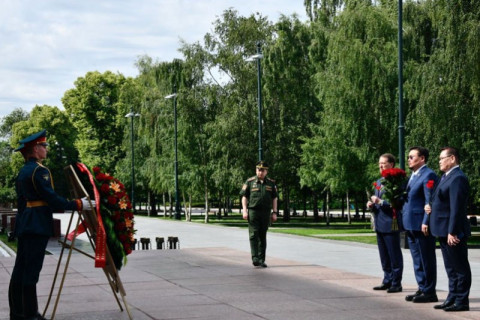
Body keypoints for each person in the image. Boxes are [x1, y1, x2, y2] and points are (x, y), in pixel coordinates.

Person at [9, 130, 94, 320]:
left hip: (26, 225)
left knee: (20, 270)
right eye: (44, 146)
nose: (46, 149)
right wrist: (78, 204)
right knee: (31, 272)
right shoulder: (40, 171)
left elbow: (22, 203)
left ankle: (18, 313)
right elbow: (52, 199)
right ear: (35, 149)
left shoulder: (24, 171)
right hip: (37, 225)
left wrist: (18, 227)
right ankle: (30, 315)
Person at [426, 147, 471, 312]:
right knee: (451, 268)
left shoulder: (457, 178)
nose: (439, 161)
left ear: (452, 159)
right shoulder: (446, 177)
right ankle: (452, 297)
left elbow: (456, 207)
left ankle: (462, 301)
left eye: (442, 158)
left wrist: (452, 231)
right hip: (443, 230)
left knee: (460, 268)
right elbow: (440, 200)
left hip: (452, 231)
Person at [402, 146, 438, 303]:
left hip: (421, 224)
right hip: (410, 223)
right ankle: (422, 287)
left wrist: (426, 221)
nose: (408, 159)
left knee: (426, 259)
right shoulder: (413, 175)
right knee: (417, 259)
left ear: (422, 158)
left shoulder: (428, 174)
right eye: (408, 157)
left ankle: (430, 291)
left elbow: (429, 201)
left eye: (411, 156)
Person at [367, 153, 403, 293]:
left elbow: (398, 202)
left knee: (394, 254)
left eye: (384, 163)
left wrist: (379, 201)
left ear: (391, 164)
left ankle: (396, 282)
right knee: (384, 255)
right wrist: (371, 205)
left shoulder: (397, 181)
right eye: (379, 164)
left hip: (391, 222)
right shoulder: (379, 181)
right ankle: (387, 279)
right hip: (380, 223)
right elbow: (378, 204)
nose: (381, 166)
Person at [240, 160, 278, 268]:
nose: (260, 172)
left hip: (265, 213)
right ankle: (255, 258)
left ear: (266, 172)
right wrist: (244, 210)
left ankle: (262, 260)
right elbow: (244, 197)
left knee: (262, 236)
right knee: (253, 235)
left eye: (262, 170)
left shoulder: (271, 183)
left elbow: (274, 198)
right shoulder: (250, 182)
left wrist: (274, 212)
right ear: (256, 170)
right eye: (258, 170)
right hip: (253, 212)